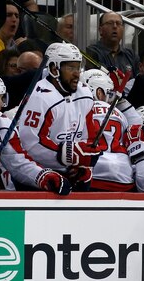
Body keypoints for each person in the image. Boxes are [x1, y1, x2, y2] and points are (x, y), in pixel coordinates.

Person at [18, 42, 104, 191]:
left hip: (68, 169)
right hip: (39, 171)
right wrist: (66, 155)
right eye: (70, 68)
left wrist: (83, 165)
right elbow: (30, 144)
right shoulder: (40, 98)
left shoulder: (84, 94)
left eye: (78, 67)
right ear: (54, 69)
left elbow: (89, 137)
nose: (77, 73)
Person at [85, 12, 138, 77]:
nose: (115, 26)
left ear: (123, 29)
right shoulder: (91, 52)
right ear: (100, 30)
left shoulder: (131, 55)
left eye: (118, 23)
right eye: (110, 23)